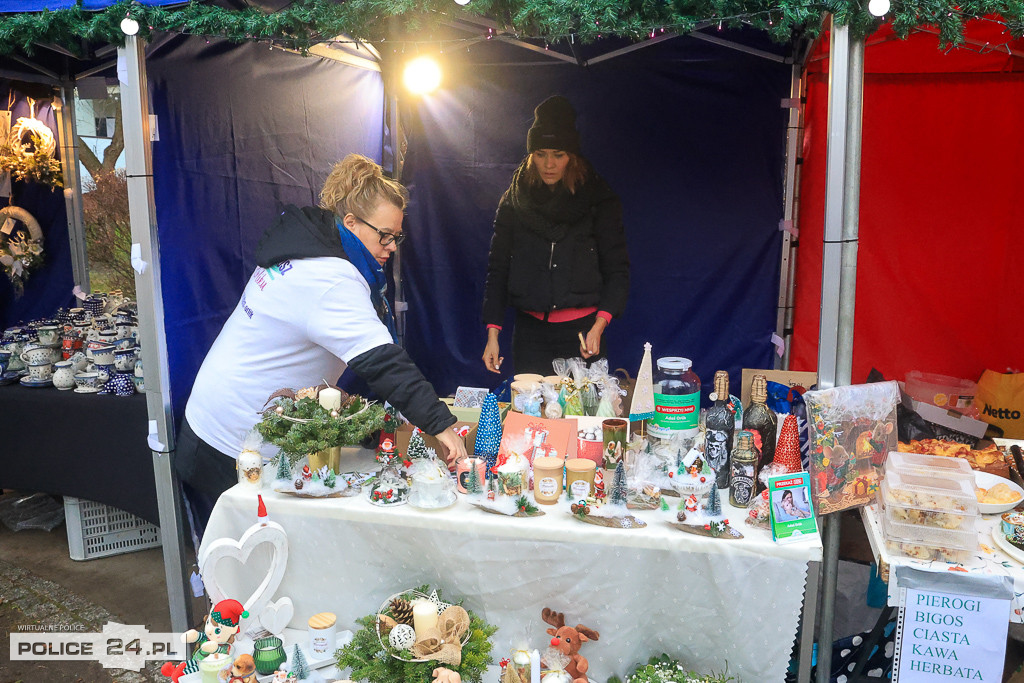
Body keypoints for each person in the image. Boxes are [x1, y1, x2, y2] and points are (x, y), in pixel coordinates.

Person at [178, 154, 466, 519]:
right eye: (385, 236)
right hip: (229, 442)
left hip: (219, 420)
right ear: (351, 222)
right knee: (248, 560)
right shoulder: (330, 279)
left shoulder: (308, 247)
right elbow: (382, 362)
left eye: (397, 237)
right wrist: (441, 424)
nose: (392, 247)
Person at [481, 95, 629, 376]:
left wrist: (600, 325)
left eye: (558, 154)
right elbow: (497, 270)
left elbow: (617, 270)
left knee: (582, 417)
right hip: (530, 333)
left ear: (572, 156)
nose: (548, 163)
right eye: (540, 154)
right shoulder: (513, 201)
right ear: (530, 155)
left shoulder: (600, 200)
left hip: (582, 331)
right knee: (532, 416)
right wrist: (492, 334)